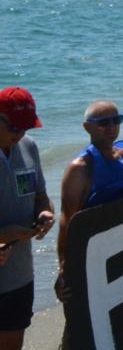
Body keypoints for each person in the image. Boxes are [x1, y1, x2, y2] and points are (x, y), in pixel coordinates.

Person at [55, 101, 123, 321]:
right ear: (87, 127)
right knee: (84, 322)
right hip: (92, 256)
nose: (111, 127)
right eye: (103, 122)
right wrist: (64, 267)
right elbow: (67, 221)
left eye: (116, 120)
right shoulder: (80, 169)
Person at [0, 88, 53, 350]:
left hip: (19, 273)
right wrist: (6, 234)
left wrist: (45, 214)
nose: (19, 134)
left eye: (25, 127)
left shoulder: (28, 146)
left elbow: (40, 196)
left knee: (13, 341)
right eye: (14, 127)